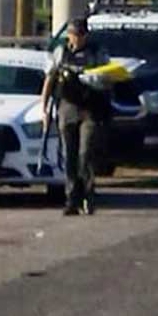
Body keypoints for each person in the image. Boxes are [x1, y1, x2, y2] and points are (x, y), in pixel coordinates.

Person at [41, 17, 110, 216]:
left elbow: (109, 78)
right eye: (73, 34)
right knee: (69, 156)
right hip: (67, 107)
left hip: (90, 109)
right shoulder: (61, 53)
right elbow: (49, 80)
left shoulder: (97, 53)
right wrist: (44, 109)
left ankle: (88, 197)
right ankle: (72, 199)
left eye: (80, 35)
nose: (76, 39)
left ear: (86, 35)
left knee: (85, 153)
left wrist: (96, 79)